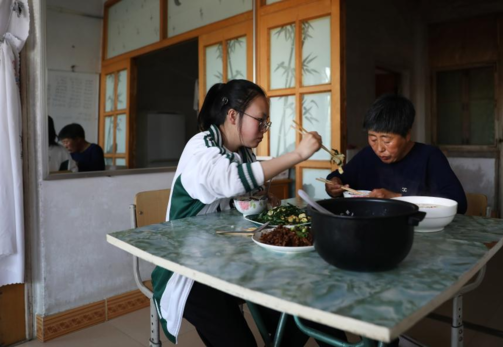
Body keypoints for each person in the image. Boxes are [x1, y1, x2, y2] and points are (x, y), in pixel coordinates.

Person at [152, 79, 347, 346]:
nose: (264, 129)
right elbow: (231, 180)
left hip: (227, 260)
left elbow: (237, 197)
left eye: (266, 122)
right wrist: (298, 154)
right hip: (190, 271)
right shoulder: (202, 149)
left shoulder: (243, 153)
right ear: (233, 116)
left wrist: (260, 198)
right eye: (261, 120)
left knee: (303, 301)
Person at [325, 94, 467, 214]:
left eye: (387, 140)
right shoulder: (367, 155)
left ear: (407, 135)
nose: (379, 148)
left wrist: (397, 198)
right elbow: (336, 178)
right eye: (373, 139)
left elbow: (459, 203)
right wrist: (333, 186)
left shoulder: (429, 157)